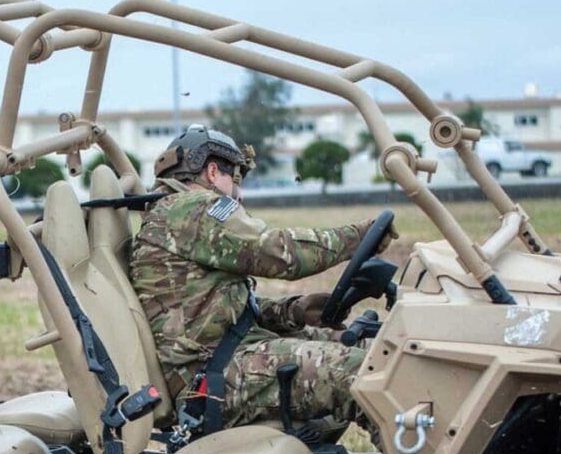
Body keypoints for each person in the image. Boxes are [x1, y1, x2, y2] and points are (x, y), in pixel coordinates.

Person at [130, 126, 394, 436]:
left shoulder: (170, 214)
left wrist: (294, 311)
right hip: (212, 380)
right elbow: (277, 253)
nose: (240, 194)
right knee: (364, 373)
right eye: (237, 179)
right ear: (213, 171)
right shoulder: (193, 206)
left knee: (378, 355)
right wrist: (358, 237)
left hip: (217, 365)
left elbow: (213, 310)